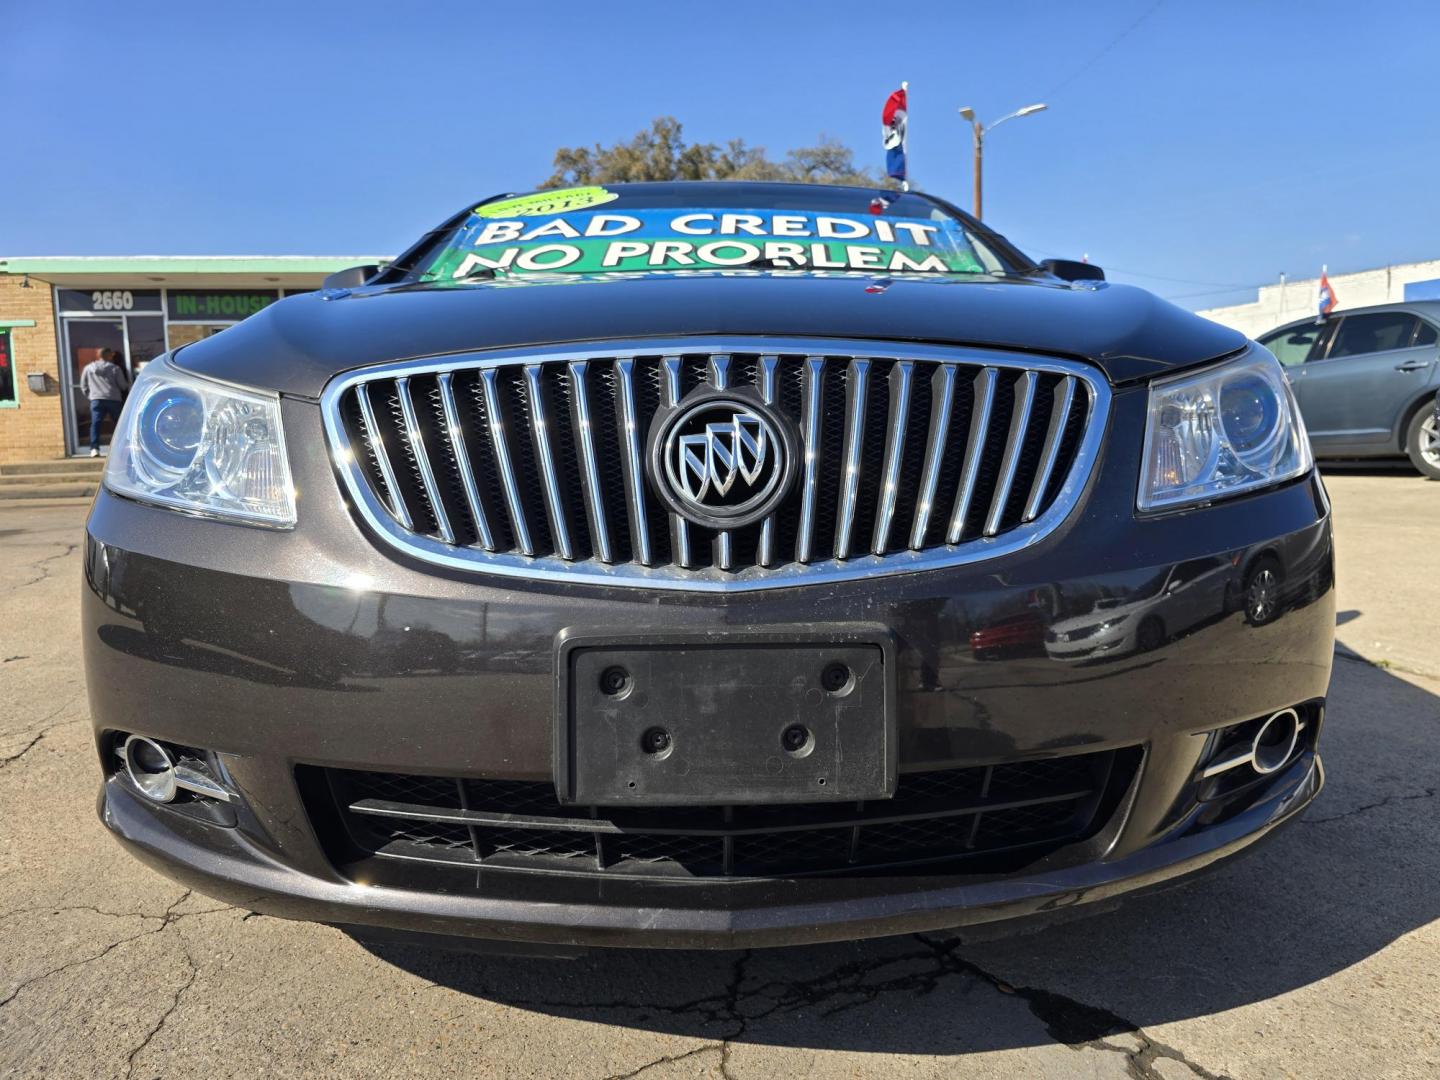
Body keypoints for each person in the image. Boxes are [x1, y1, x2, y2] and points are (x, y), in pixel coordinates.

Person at [78, 347, 130, 457]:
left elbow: (83, 386)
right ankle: (122, 449)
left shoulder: (88, 368)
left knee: (95, 424)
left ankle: (94, 449)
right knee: (119, 425)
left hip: (96, 400)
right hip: (113, 400)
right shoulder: (115, 368)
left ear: (99, 356)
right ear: (108, 356)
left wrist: (91, 396)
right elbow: (123, 386)